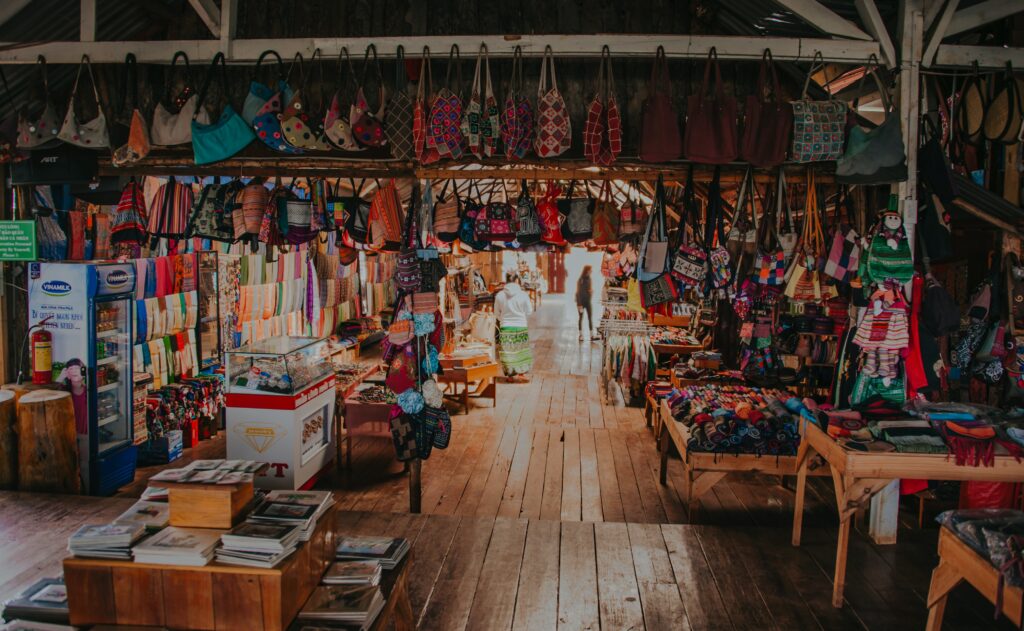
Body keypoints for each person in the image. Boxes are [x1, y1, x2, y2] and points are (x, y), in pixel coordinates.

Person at [494, 272, 534, 382]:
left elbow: (496, 313)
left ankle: (510, 376)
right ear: (516, 281)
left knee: (508, 352)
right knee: (521, 350)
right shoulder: (523, 295)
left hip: (506, 327)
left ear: (506, 280)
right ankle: (522, 374)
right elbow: (529, 311)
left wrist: (503, 319)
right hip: (521, 326)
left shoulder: (500, 295)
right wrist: (520, 315)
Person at [576, 265, 601, 342]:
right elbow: (578, 292)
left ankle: (591, 335)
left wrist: (591, 292)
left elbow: (589, 289)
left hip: (588, 302)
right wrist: (579, 304)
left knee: (590, 318)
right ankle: (580, 335)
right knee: (581, 318)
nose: (591, 271)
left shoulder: (589, 279)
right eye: (590, 270)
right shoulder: (581, 279)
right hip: (581, 302)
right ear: (587, 271)